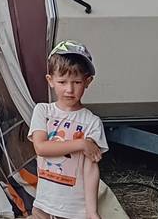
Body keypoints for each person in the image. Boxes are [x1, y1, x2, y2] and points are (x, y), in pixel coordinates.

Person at [30, 40, 108, 219]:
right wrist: (81, 144)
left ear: (88, 81)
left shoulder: (92, 122)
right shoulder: (43, 111)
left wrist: (92, 211)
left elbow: (91, 169)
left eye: (77, 82)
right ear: (50, 80)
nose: (69, 89)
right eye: (62, 81)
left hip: (74, 211)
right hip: (43, 205)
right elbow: (41, 147)